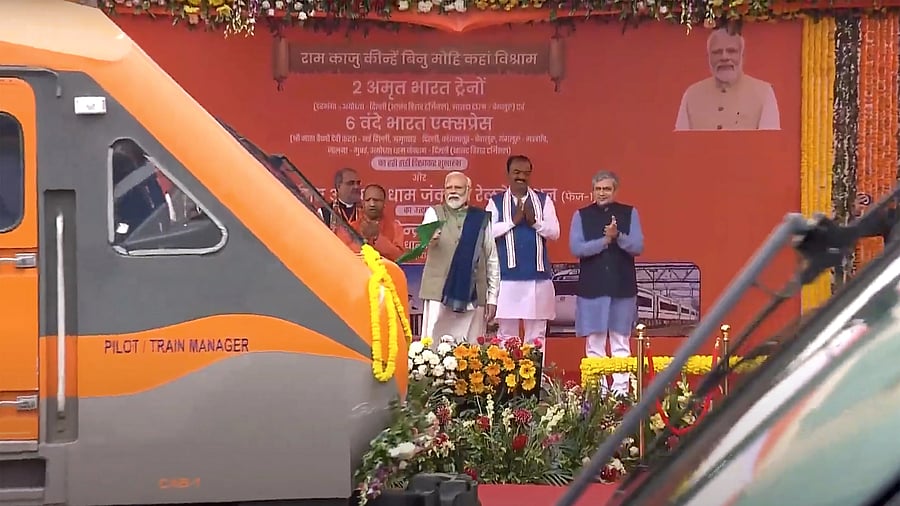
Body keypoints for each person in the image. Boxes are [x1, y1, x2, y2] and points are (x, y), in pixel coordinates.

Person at [569, 170, 644, 396]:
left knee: (621, 342)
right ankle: (598, 394)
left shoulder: (629, 213)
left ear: (615, 190)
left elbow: (637, 246)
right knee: (595, 344)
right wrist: (605, 241)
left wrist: (617, 235)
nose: (602, 193)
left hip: (622, 288)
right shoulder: (581, 215)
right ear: (592, 191)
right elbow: (577, 248)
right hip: (593, 289)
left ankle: (621, 392)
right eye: (598, 189)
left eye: (607, 189)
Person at [486, 155, 559, 345]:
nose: (521, 177)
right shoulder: (496, 202)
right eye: (516, 172)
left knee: (536, 337)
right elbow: (486, 233)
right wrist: (513, 221)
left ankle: (535, 375)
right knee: (506, 336)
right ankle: (508, 375)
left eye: (526, 173)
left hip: (537, 279)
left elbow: (555, 232)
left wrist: (535, 222)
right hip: (507, 279)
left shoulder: (543, 200)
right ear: (508, 174)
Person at [419, 171, 499, 343]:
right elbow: (425, 238)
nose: (453, 191)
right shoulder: (434, 213)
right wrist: (430, 239)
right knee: (431, 350)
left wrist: (492, 298)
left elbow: (492, 258)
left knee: (471, 352)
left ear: (469, 190)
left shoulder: (480, 218)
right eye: (449, 188)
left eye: (458, 187)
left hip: (474, 294)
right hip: (438, 292)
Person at [674, 28, 780, 131]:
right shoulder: (692, 94)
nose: (724, 57)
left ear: (742, 55)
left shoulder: (764, 92)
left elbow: (769, 144)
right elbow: (680, 144)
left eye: (731, 51)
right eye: (717, 52)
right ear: (709, 57)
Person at [336, 183, 405, 261]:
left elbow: (400, 258)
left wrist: (377, 238)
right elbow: (342, 256)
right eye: (368, 200)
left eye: (376, 200)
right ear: (363, 203)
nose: (372, 204)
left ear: (384, 203)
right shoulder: (348, 229)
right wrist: (364, 240)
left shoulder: (395, 228)